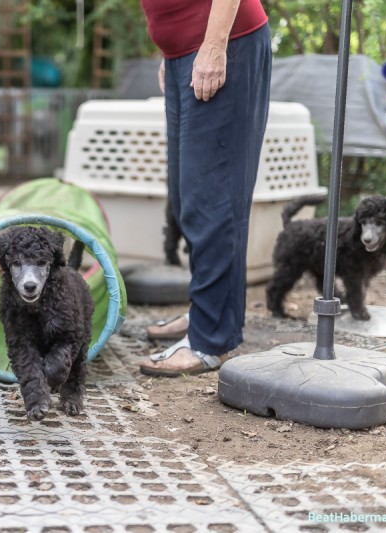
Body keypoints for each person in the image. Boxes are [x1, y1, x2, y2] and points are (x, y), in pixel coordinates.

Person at [138, 0, 271, 376]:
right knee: (187, 199)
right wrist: (173, 51)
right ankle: (205, 315)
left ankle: (211, 339)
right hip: (184, 53)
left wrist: (213, 46)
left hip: (222, 43)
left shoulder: (216, 46)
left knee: (213, 199)